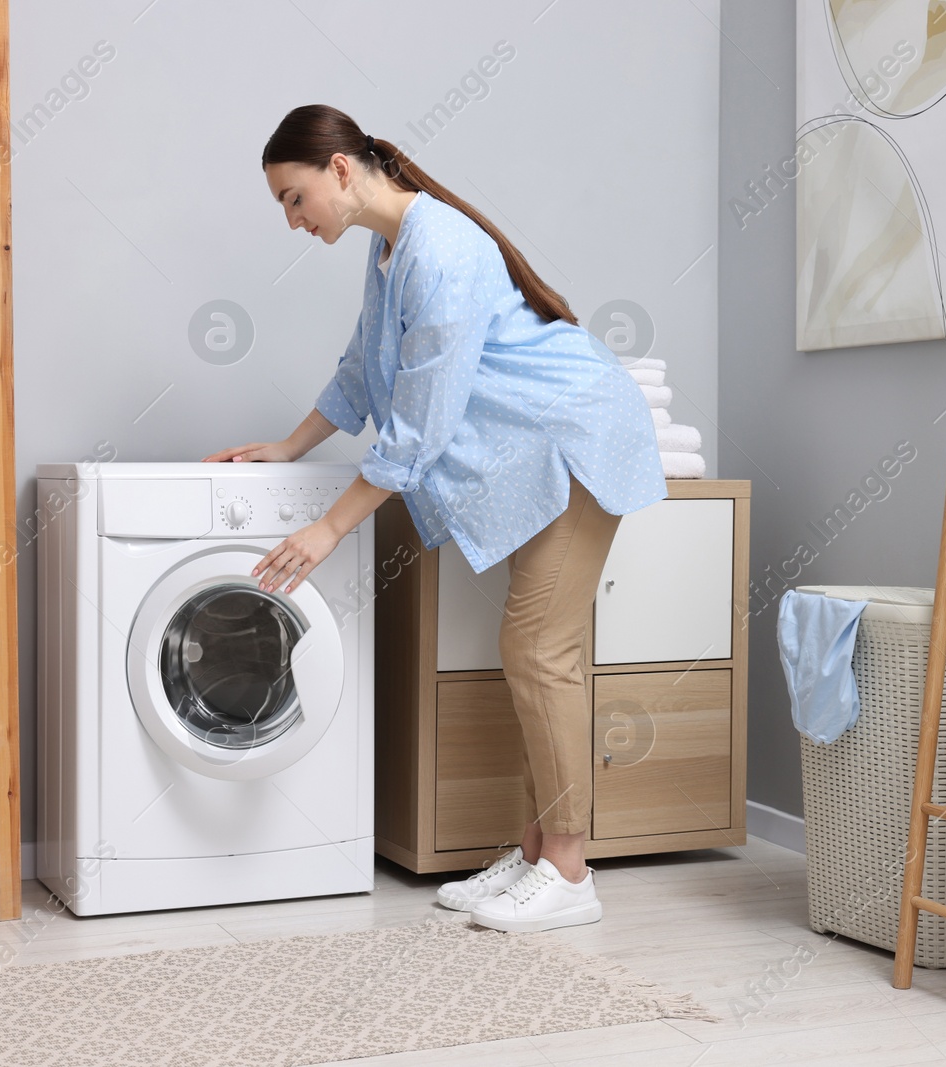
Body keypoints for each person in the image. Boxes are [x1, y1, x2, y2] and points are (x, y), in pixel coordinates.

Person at [204, 104, 666, 933]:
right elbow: (361, 367)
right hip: (534, 446)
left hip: (573, 438)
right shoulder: (392, 252)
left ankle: (568, 869)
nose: (292, 218)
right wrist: (290, 444)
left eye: (293, 196)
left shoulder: (442, 252)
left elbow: (419, 423)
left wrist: (329, 527)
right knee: (535, 653)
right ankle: (535, 856)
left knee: (538, 649)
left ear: (340, 170)